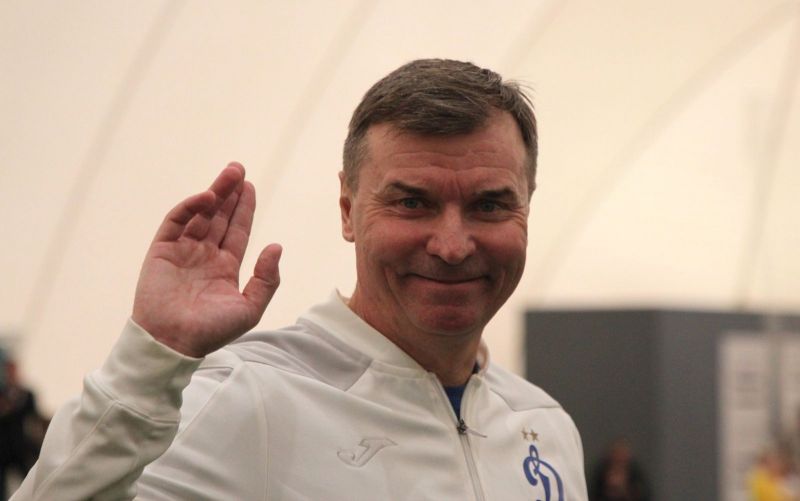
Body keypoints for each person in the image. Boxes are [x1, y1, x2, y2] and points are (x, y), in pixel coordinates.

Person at [12, 59, 587, 500]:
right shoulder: (248, 397)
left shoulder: (543, 424)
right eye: (413, 203)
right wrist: (152, 357)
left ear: (527, 208)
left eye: (490, 205)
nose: (452, 245)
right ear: (347, 211)